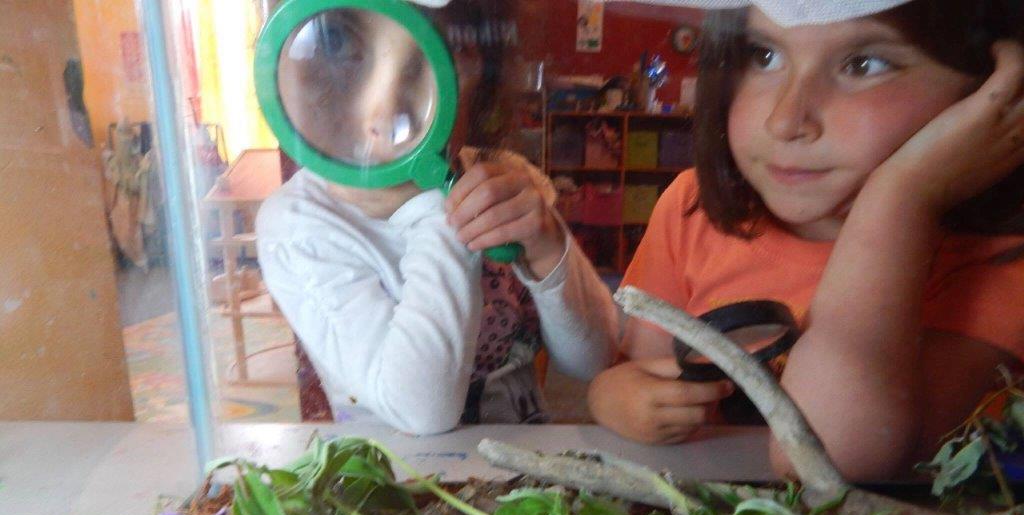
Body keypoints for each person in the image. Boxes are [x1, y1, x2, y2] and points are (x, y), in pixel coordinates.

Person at [588, 0, 1024, 481]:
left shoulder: (1000, 262)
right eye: (762, 56)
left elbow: (833, 465)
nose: (786, 120)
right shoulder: (692, 207)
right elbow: (642, 372)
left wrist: (898, 198)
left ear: (994, 92)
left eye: (863, 64)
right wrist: (611, 395)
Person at [256, 0, 618, 434]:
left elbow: (593, 359)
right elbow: (422, 411)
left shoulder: (505, 177)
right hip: (400, 486)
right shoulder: (298, 226)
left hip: (521, 481)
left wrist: (548, 247)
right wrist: (433, 209)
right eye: (339, 42)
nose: (385, 113)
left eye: (434, 55)